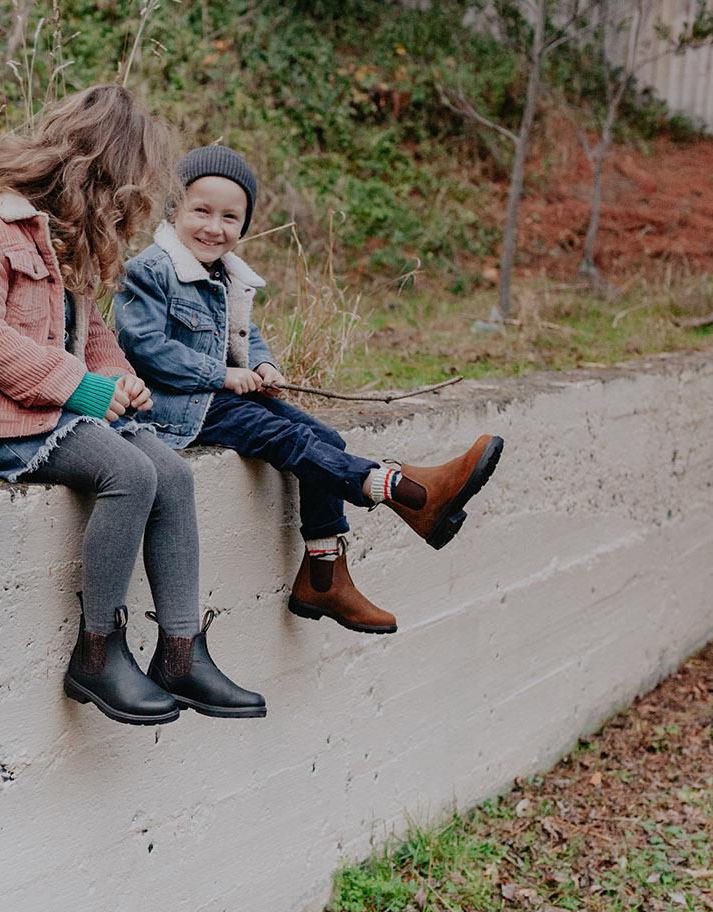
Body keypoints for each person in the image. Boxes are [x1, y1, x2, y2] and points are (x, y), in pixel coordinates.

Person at [0, 87, 265, 726]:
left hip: (54, 412)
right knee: (129, 473)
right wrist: (85, 390)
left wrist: (119, 380)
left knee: (173, 473)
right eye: (125, 191)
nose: (127, 209)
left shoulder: (66, 239)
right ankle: (97, 652)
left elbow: (96, 335)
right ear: (93, 171)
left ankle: (181, 653)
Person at [115, 145, 503, 634]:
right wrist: (223, 375)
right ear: (175, 210)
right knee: (287, 440)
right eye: (201, 211)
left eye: (230, 217)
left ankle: (324, 576)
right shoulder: (151, 269)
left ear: (244, 225)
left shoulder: (227, 276)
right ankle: (401, 489)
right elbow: (145, 347)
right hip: (177, 406)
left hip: (222, 399)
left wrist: (264, 365)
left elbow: (244, 335)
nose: (214, 227)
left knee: (327, 441)